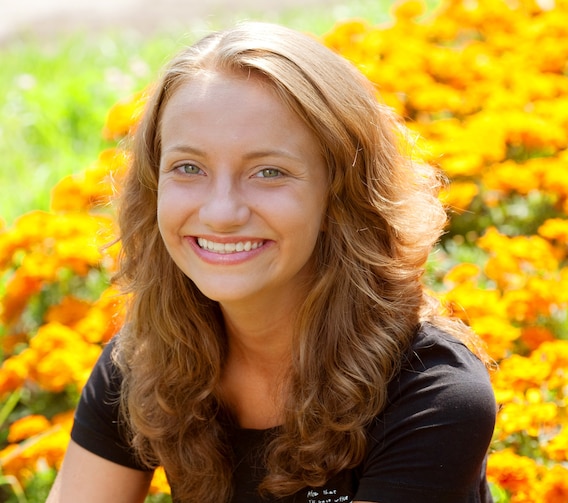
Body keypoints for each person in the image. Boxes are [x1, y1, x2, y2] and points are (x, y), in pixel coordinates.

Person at [46, 21, 497, 503]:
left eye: (269, 172)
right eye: (188, 167)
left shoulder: (431, 394)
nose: (221, 213)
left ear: (341, 195)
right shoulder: (147, 358)